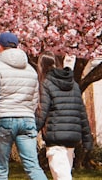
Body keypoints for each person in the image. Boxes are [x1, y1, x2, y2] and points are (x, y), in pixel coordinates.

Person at [0, 31, 48, 180]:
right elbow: (34, 98)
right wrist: (28, 115)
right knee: (33, 167)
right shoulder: (30, 69)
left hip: (4, 120)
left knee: (0, 170)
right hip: (27, 120)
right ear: (17, 47)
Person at [36, 52, 93, 180]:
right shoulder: (73, 84)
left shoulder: (46, 84)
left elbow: (42, 113)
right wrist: (87, 139)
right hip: (72, 139)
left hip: (56, 139)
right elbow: (82, 113)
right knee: (64, 175)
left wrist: (29, 131)